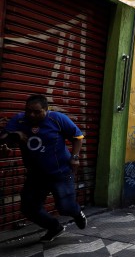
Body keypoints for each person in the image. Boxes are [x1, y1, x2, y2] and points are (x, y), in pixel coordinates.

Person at [0, 94, 86, 243]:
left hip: (60, 173)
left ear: (46, 110)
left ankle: (77, 213)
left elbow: (78, 137)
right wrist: (14, 136)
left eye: (37, 111)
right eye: (28, 111)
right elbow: (4, 137)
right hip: (36, 175)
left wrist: (75, 157)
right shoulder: (19, 120)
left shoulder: (57, 119)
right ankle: (54, 227)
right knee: (29, 209)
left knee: (65, 207)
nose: (31, 115)